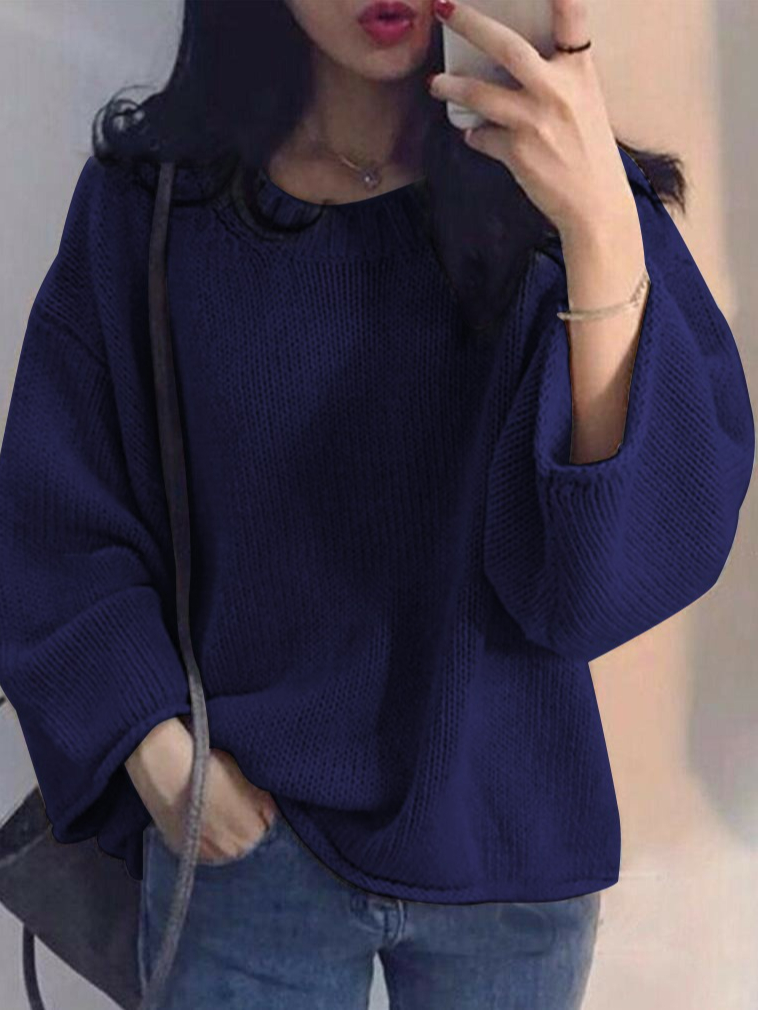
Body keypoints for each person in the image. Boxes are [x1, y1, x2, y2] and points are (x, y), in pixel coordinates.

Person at [0, 1, 753, 1008]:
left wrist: (600, 228)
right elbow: (53, 513)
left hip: (505, 855)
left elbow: (602, 584)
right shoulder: (155, 202)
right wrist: (161, 756)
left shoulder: (573, 205)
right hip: (241, 847)